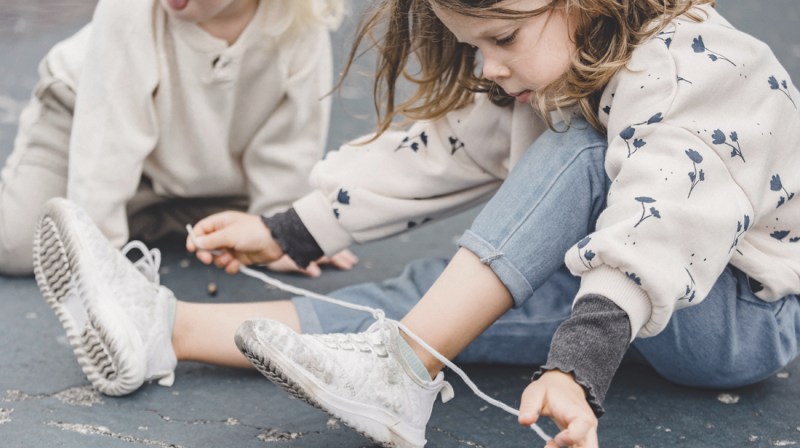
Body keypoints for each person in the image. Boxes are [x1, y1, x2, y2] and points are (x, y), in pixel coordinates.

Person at [33, 0, 800, 447]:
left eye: (501, 40)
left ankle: (403, 368)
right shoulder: (571, 61)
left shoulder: (697, 68)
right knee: (445, 302)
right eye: (474, 46)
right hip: (629, 294)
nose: (488, 66)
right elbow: (443, 149)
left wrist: (580, 362)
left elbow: (663, 214)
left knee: (576, 150)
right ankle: (160, 330)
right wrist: (290, 231)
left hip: (740, 316)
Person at [0, 0, 356, 277]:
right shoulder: (132, 11)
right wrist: (100, 256)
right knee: (18, 244)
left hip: (202, 158)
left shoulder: (297, 21)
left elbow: (291, 139)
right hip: (80, 118)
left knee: (239, 225)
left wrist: (280, 231)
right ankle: (129, 208)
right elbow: (107, 143)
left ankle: (144, 204)